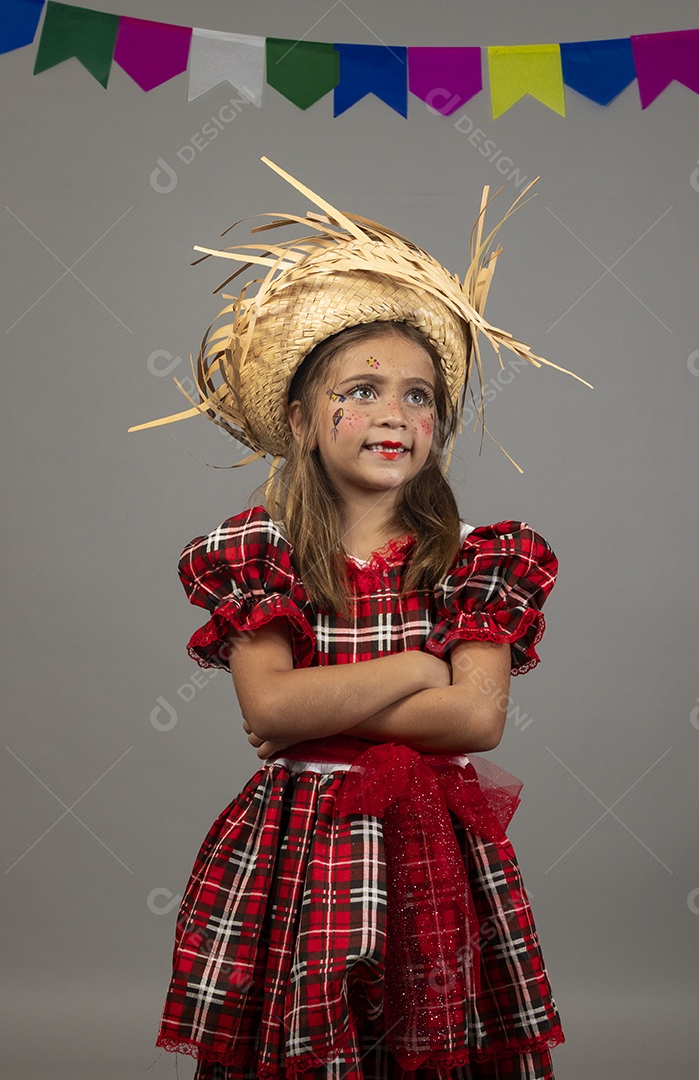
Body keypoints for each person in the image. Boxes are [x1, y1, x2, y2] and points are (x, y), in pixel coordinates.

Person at [131, 158, 589, 1080]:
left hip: (436, 852)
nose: (394, 415)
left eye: (417, 395)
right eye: (361, 390)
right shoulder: (260, 553)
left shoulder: (478, 557)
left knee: (434, 1037)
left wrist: (320, 697)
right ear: (300, 421)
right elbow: (267, 713)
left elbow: (476, 719)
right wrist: (422, 668)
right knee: (304, 1030)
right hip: (299, 843)